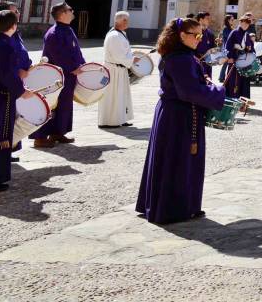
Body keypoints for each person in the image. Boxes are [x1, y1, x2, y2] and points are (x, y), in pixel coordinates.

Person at [136, 17, 228, 224]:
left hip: (176, 112)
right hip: (179, 116)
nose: (199, 39)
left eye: (201, 35)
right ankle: (173, 209)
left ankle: (180, 205)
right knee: (177, 161)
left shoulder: (181, 55)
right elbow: (189, 91)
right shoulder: (181, 59)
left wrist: (204, 82)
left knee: (174, 160)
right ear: (181, 35)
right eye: (196, 35)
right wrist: (218, 91)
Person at [32, 3, 84, 148]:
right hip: (55, 77)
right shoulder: (54, 33)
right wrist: (73, 68)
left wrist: (82, 64)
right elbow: (58, 55)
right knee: (50, 105)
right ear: (62, 14)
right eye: (70, 9)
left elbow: (76, 51)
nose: (73, 11)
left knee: (64, 105)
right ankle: (40, 137)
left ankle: (58, 132)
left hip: (68, 75)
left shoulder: (68, 29)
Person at [0, 9, 33, 191]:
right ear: (13, 26)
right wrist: (21, 91)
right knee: (1, 135)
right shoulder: (5, 45)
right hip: (1, 97)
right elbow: (7, 75)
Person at [97, 11, 135, 128]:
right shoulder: (114, 36)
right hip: (113, 70)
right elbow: (118, 56)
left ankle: (120, 118)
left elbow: (123, 52)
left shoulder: (120, 34)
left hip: (119, 70)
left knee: (121, 95)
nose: (127, 22)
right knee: (112, 95)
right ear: (120, 21)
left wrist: (131, 57)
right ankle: (110, 121)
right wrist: (132, 59)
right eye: (125, 20)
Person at [222, 15, 256, 100]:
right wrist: (230, 57)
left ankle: (243, 100)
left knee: (244, 81)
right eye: (244, 23)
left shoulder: (246, 35)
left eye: (247, 24)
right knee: (233, 80)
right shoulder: (234, 32)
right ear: (240, 23)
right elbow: (228, 46)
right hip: (234, 59)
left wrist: (251, 51)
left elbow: (251, 47)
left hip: (244, 61)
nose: (246, 25)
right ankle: (232, 99)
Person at [194, 12, 217, 79]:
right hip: (197, 61)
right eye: (207, 18)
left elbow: (213, 47)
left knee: (208, 81)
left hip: (208, 62)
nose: (209, 20)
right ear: (201, 19)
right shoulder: (195, 32)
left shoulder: (210, 33)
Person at [218, 14, 235, 84]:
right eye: (232, 20)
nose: (233, 21)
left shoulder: (230, 28)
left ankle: (222, 77)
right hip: (226, 49)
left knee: (227, 63)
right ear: (228, 20)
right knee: (225, 63)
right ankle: (221, 77)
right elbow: (229, 38)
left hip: (229, 48)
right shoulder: (226, 29)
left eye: (233, 20)